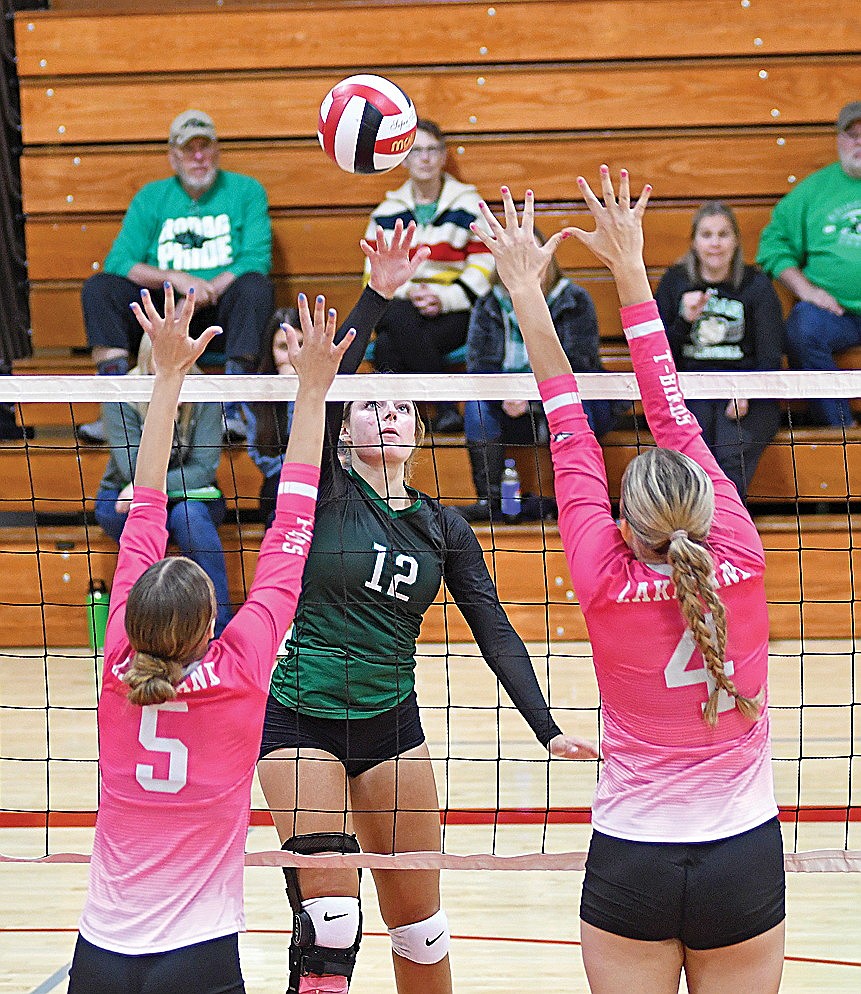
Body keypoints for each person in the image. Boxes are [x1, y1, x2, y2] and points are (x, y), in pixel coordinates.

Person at [257, 221, 597, 994]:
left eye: (402, 407)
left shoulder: (442, 526)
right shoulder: (319, 492)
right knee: (332, 926)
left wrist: (546, 729)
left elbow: (495, 631)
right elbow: (321, 380)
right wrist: (377, 294)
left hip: (392, 726)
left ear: (416, 430)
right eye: (371, 406)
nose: (388, 413)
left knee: (419, 926)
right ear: (343, 433)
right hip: (300, 718)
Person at [471, 176, 784, 994]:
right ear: (706, 507)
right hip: (743, 857)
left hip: (631, 862)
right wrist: (633, 270)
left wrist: (522, 290)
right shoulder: (741, 556)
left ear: (623, 522)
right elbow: (673, 410)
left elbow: (565, 421)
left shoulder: (601, 574)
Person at [67, 283, 353, 994]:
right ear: (209, 627)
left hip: (99, 954)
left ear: (131, 623)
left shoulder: (115, 668)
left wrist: (163, 376)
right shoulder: (243, 668)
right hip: (197, 955)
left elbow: (147, 497)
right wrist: (311, 394)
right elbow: (292, 523)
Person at [78, 109, 274, 444]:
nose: (198, 156)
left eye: (205, 146)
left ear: (217, 150)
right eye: (188, 148)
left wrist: (201, 292)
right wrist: (175, 279)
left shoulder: (247, 191)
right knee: (99, 288)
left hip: (219, 311)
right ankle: (116, 410)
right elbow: (120, 262)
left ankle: (234, 406)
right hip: (161, 314)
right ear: (173, 156)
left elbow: (256, 258)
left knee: (255, 287)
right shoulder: (151, 197)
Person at [458, 229, 616, 521]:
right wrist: (504, 394)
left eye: (533, 255)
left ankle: (581, 499)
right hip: (506, 403)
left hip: (563, 400)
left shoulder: (574, 300)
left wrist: (531, 398)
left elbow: (578, 365)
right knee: (477, 408)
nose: (526, 263)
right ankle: (491, 502)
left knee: (579, 410)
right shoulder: (489, 302)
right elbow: (479, 364)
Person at [94, 333, 232, 636]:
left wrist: (148, 487)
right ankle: (144, 629)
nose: (172, 363)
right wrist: (166, 413)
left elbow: (204, 468)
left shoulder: (204, 392)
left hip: (190, 495)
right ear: (146, 359)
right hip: (123, 494)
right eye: (163, 356)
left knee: (189, 518)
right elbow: (130, 468)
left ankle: (218, 630)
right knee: (135, 519)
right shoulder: (122, 394)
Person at [364, 119, 495, 433]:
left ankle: (390, 420)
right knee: (396, 315)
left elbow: (485, 266)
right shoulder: (385, 212)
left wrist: (444, 299)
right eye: (416, 151)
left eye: (432, 150)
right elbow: (373, 270)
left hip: (455, 309)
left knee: (387, 347)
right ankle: (446, 407)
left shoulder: (469, 205)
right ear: (405, 158)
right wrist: (410, 293)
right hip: (402, 303)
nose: (424, 158)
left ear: (443, 155)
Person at [656, 202, 784, 500]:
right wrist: (684, 321)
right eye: (707, 234)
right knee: (694, 462)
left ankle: (727, 531)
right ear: (694, 241)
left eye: (723, 234)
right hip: (690, 388)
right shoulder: (675, 282)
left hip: (745, 388)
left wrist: (748, 391)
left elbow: (770, 354)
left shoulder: (756, 285)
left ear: (736, 240)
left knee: (730, 459)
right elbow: (659, 353)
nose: (715, 243)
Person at [757, 100, 861, 427]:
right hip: (836, 313)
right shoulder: (814, 191)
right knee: (802, 328)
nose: (859, 142)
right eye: (852, 134)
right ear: (839, 140)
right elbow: (772, 244)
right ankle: (841, 431)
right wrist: (807, 291)